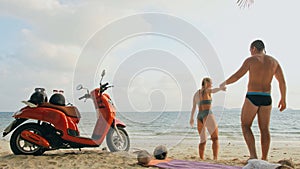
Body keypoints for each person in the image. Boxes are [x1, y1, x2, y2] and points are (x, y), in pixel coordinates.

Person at [220, 40, 287, 160]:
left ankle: (253, 155)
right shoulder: (274, 62)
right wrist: (283, 99)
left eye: (250, 50)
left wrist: (224, 83)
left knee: (245, 125)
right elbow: (281, 81)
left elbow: (237, 76)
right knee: (265, 129)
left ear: (254, 48)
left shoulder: (251, 60)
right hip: (267, 97)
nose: (250, 52)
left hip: (253, 96)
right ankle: (264, 158)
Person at [190, 77, 226, 160]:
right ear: (207, 83)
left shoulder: (196, 94)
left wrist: (191, 118)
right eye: (211, 83)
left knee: (203, 140)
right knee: (215, 138)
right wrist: (221, 89)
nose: (212, 85)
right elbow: (213, 90)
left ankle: (201, 158)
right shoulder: (207, 90)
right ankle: (215, 158)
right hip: (208, 115)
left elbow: (194, 107)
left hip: (199, 117)